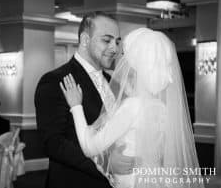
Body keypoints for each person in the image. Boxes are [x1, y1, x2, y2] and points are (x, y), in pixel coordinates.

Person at [60, 28, 204, 188]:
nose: (170, 77)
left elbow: (90, 147)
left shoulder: (133, 106)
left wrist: (76, 106)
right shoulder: (161, 108)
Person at [35, 11, 135, 188]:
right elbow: (54, 144)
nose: (115, 48)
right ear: (85, 40)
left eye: (117, 41)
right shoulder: (54, 80)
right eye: (107, 40)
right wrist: (105, 164)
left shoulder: (116, 85)